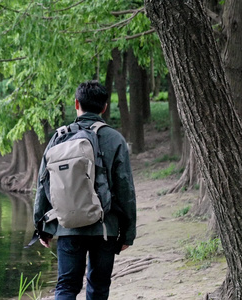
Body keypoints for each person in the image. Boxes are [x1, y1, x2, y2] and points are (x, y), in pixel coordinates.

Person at [33, 80, 137, 300]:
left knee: (66, 286)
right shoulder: (115, 139)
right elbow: (125, 188)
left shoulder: (58, 137)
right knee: (98, 287)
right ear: (104, 107)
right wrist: (128, 232)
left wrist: (42, 226)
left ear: (76, 103)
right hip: (105, 228)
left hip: (68, 226)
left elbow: (43, 184)